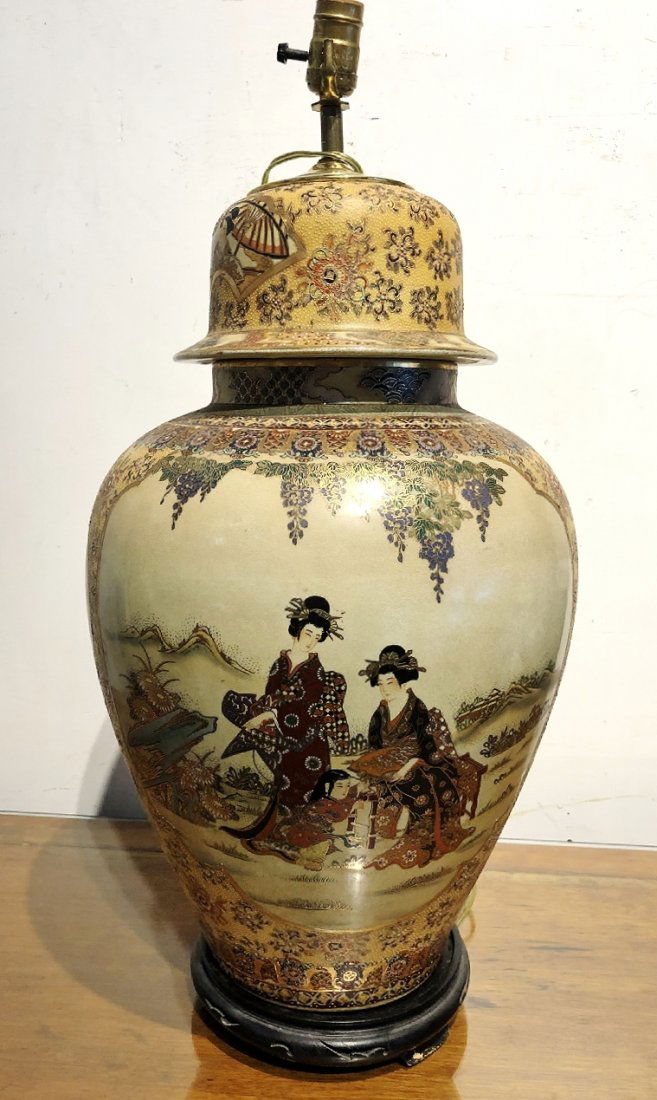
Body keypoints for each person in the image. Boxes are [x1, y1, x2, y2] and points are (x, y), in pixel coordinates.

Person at [220, 596, 348, 845]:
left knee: (305, 792)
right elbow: (272, 694)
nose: (311, 641)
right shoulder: (280, 663)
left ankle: (298, 842)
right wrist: (268, 712)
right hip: (286, 737)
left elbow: (302, 700)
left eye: (317, 636)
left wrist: (271, 712)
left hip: (309, 741)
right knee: (283, 786)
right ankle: (274, 836)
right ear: (297, 629)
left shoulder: (316, 671)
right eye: (308, 633)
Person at [352, 646, 486, 869]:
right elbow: (374, 747)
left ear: (403, 683)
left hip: (419, 763)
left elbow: (426, 749)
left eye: (390, 683)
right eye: (381, 684)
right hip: (386, 767)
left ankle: (428, 838)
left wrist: (403, 769)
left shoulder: (417, 708)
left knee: (427, 785)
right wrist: (374, 769)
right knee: (385, 782)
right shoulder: (380, 713)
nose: (384, 689)